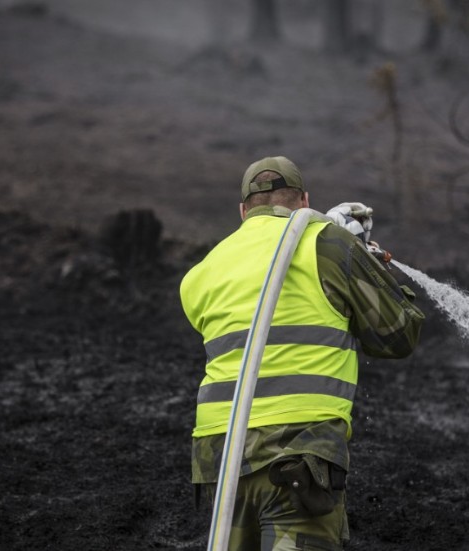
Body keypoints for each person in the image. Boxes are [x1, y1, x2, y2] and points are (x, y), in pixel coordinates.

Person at [180, 156, 425, 550]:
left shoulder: (202, 271)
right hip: (298, 454)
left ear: (243, 211)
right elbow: (397, 335)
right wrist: (362, 258)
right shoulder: (329, 245)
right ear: (304, 200)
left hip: (218, 458)